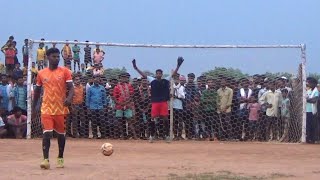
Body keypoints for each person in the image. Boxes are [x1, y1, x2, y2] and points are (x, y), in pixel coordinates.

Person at [33, 48, 74, 169]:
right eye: (54, 56)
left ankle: (60, 157)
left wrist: (69, 98)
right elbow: (37, 91)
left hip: (60, 108)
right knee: (47, 133)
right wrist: (35, 106)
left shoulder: (65, 71)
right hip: (46, 107)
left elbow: (71, 88)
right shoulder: (41, 73)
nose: (57, 58)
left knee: (61, 135)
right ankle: (45, 160)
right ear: (48, 57)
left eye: (58, 57)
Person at [132, 57, 183, 143]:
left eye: (160, 73)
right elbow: (143, 75)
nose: (158, 75)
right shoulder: (152, 80)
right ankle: (152, 135)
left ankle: (166, 136)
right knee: (152, 118)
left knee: (165, 119)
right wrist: (136, 67)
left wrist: (178, 65)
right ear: (155, 74)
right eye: (157, 73)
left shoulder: (165, 80)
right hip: (155, 102)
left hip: (163, 102)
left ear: (162, 74)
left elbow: (173, 74)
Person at [113, 73, 136, 139]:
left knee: (129, 121)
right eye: (122, 78)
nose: (123, 79)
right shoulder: (116, 87)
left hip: (128, 105)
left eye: (124, 78)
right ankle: (123, 135)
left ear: (126, 79)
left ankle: (134, 136)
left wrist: (126, 103)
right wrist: (120, 104)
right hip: (119, 106)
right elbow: (115, 97)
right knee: (120, 122)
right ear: (119, 79)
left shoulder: (129, 86)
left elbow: (132, 96)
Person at [305, 77, 319, 144]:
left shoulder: (316, 91)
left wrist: (307, 100)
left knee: (313, 126)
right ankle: (309, 138)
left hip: (313, 111)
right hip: (307, 110)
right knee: (308, 125)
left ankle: (313, 139)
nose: (309, 84)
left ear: (314, 84)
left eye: (310, 83)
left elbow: (314, 100)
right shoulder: (308, 91)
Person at [172, 75, 185, 140]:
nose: (176, 80)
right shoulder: (172, 87)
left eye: (177, 79)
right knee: (174, 121)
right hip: (173, 106)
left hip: (180, 106)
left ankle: (179, 135)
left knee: (180, 121)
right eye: (175, 79)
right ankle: (175, 135)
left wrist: (176, 96)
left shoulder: (181, 87)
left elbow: (183, 96)